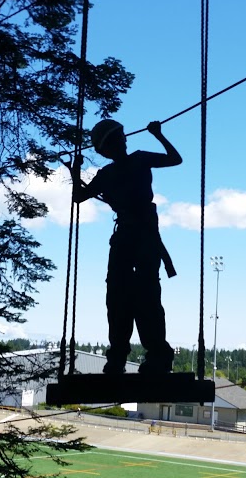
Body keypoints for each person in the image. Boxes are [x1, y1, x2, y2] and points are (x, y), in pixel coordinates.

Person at [70, 119, 181, 375]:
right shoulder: (119, 168)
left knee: (134, 295)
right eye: (118, 139)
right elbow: (78, 197)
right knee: (129, 295)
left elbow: (175, 159)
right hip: (137, 237)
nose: (123, 142)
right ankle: (145, 356)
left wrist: (76, 172)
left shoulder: (121, 168)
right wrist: (158, 135)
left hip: (137, 237)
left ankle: (135, 357)